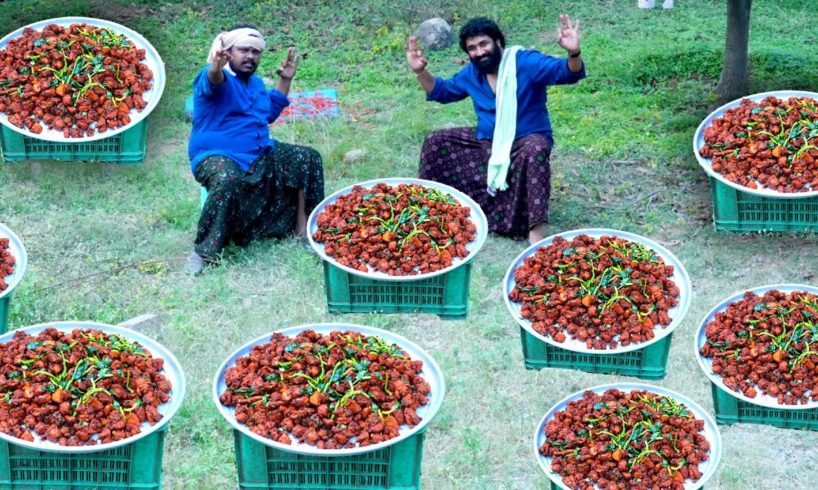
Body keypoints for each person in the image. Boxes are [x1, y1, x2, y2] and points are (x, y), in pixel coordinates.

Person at [407, 16, 585, 244]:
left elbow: (567, 72)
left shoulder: (525, 62)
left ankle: (535, 234)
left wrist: (573, 53)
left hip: (525, 141)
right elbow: (441, 92)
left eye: (484, 44)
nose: (479, 52)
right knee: (436, 141)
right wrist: (420, 71)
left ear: (498, 42)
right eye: (472, 48)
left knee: (536, 149)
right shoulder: (472, 73)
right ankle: (437, 210)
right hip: (489, 141)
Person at [186, 25, 324, 274]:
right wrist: (216, 66)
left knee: (307, 158)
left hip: (258, 153)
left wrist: (285, 79)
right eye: (243, 50)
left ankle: (304, 231)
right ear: (228, 52)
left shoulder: (256, 84)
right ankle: (204, 253)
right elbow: (213, 79)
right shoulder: (217, 77)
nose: (250, 56)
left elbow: (268, 113)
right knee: (227, 177)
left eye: (255, 52)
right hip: (216, 155)